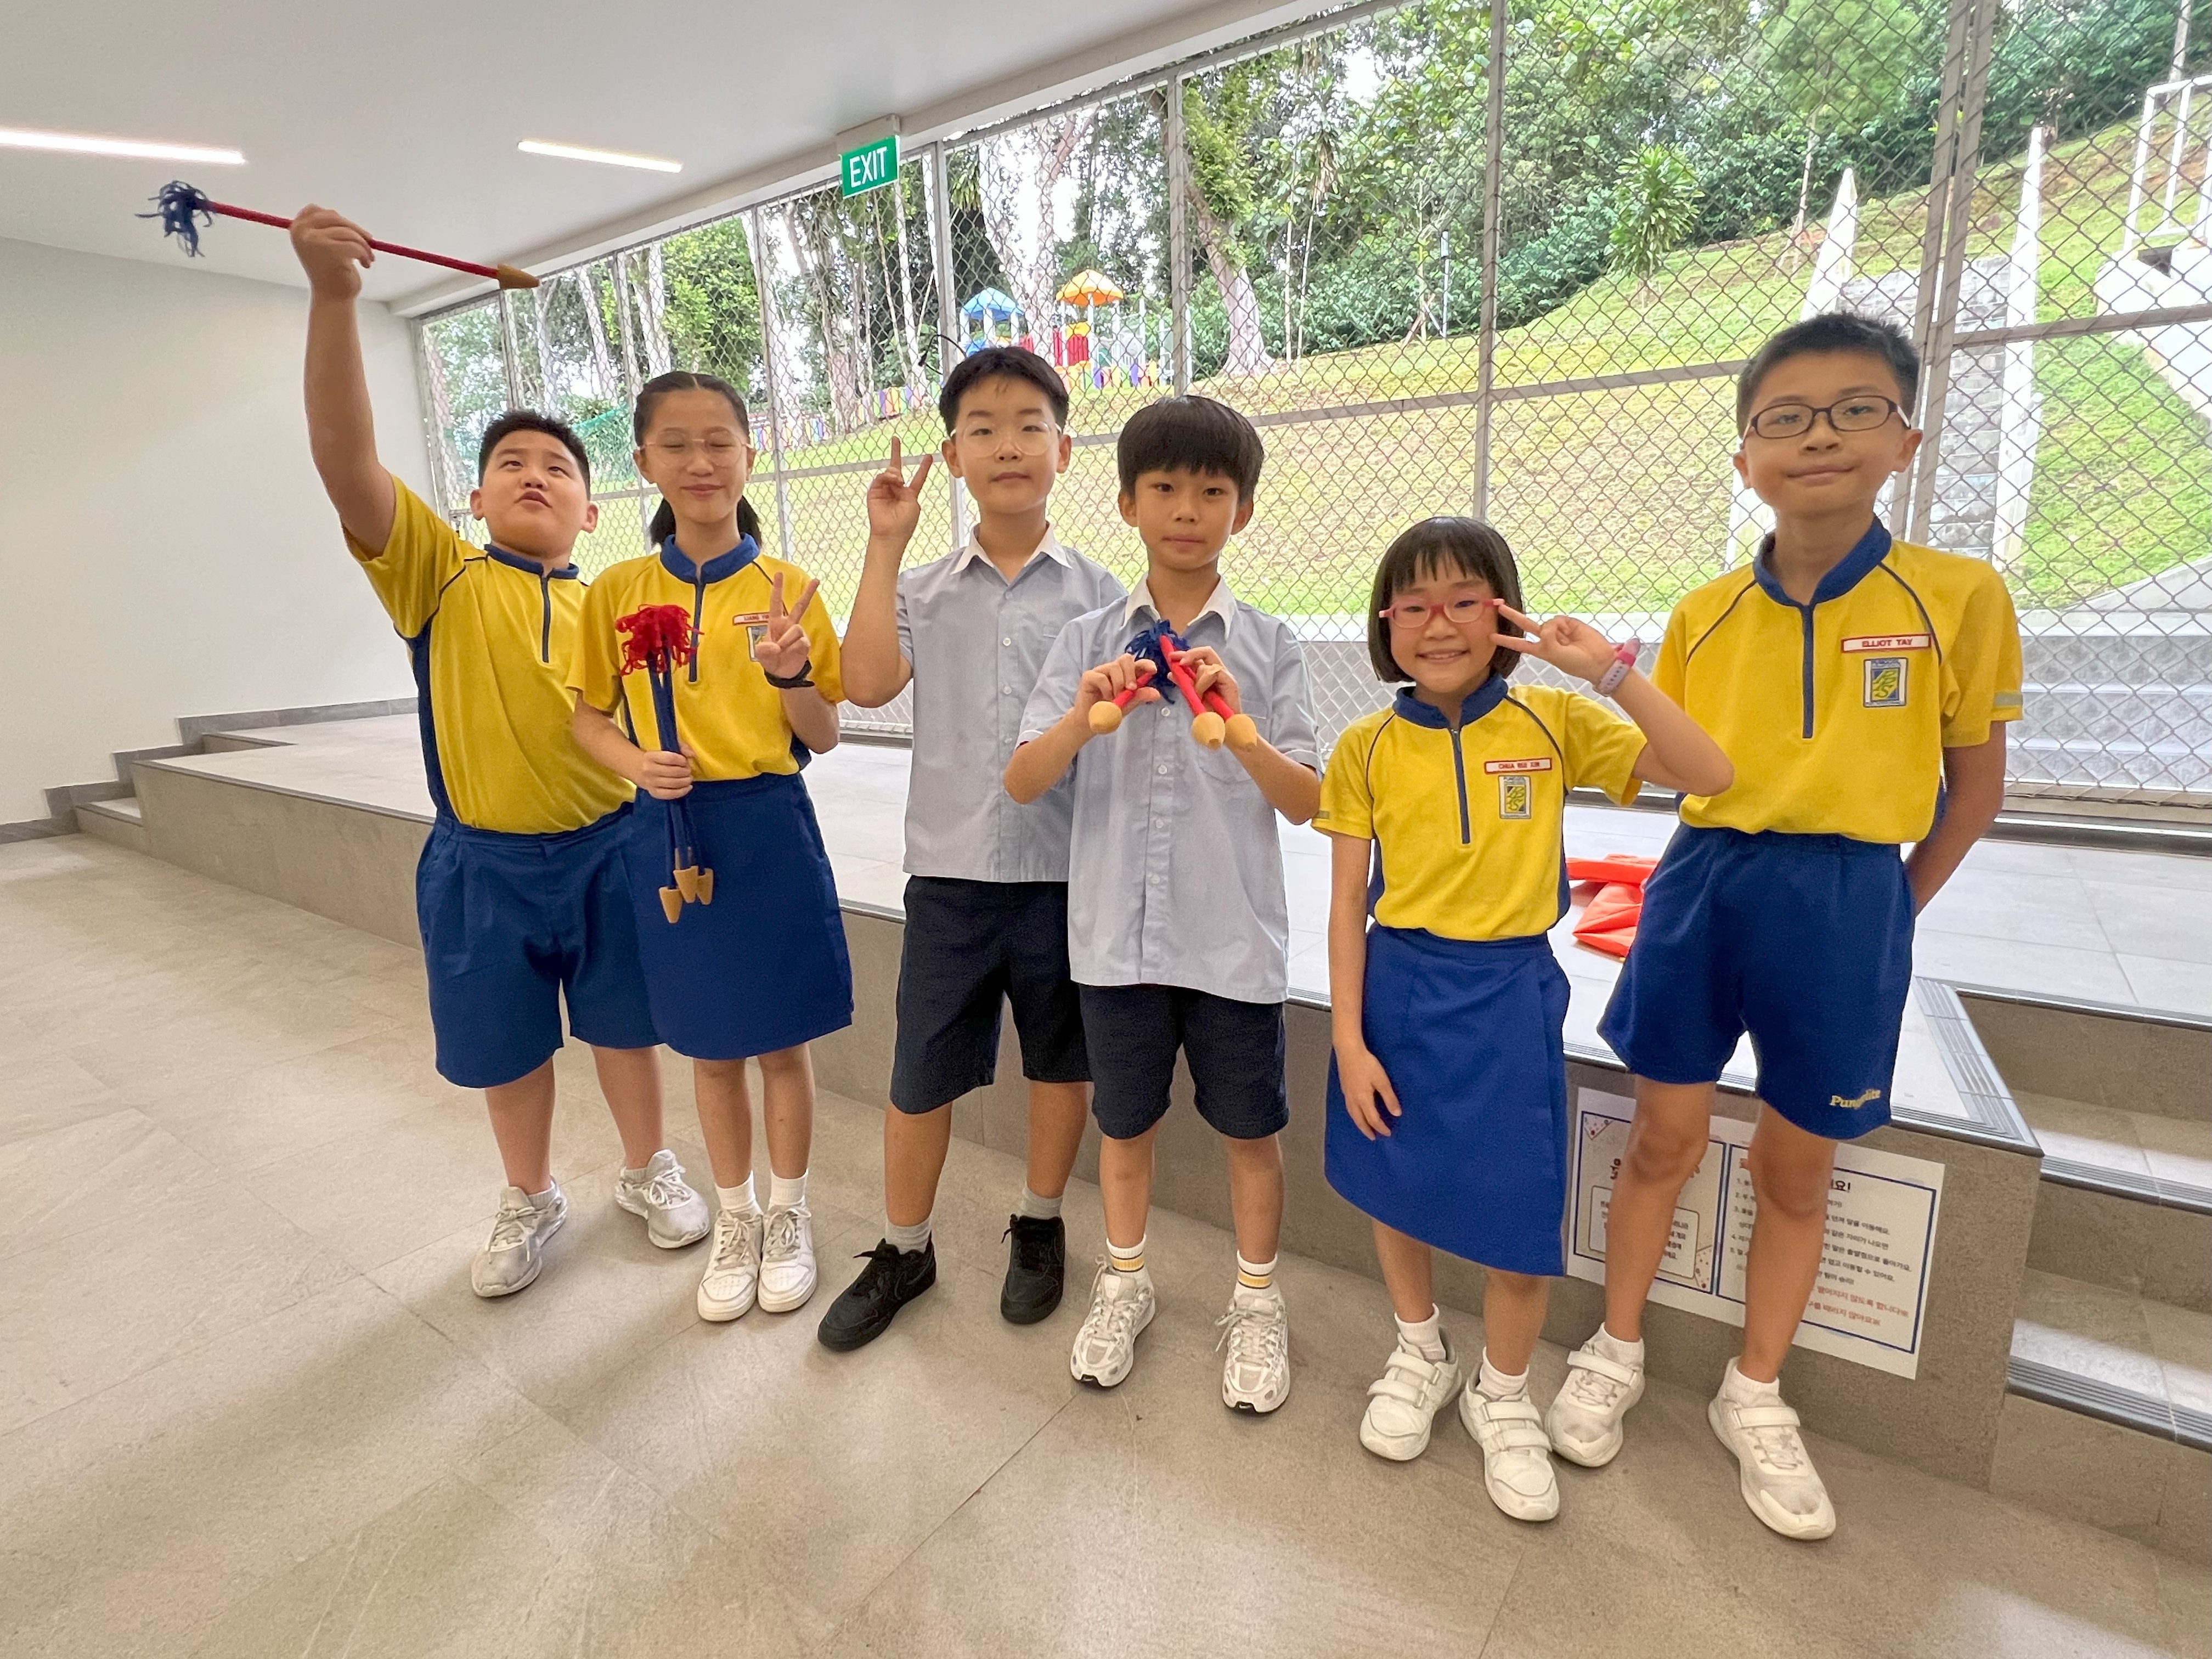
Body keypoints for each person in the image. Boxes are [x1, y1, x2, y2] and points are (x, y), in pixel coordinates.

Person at [1557, 312, 2024, 1539]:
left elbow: (1975, 791)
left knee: (1797, 1165)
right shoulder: (1704, 613)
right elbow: (1678, 760)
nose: (1820, 437)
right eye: (1786, 418)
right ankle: (1614, 1348)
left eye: (1855, 409)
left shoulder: (1959, 598)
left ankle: (1755, 1391)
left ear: (1905, 438)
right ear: (1746, 459)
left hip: (1852, 895)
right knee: (1660, 1137)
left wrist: (1888, 913)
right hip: (1706, 884)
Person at [290, 206, 706, 1299]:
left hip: (612, 852)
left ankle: (648, 1168)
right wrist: (334, 299)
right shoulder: (439, 575)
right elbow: (344, 457)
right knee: (506, 1048)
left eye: (558, 466)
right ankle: (531, 1195)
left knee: (626, 1031)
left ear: (592, 509)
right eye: (509, 462)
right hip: (483, 865)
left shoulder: (618, 601)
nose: (533, 474)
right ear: (473, 499)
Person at [1318, 517, 1730, 1520]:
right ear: (1385, 625)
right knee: (1394, 1182)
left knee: (1518, 1218)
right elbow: (1344, 905)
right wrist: (1348, 1039)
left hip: (1509, 994)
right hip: (1397, 987)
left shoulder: (1555, 722)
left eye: (1465, 601)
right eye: (1413, 606)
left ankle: (1501, 1394)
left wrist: (1611, 673)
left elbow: (1707, 772)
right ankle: (1420, 1350)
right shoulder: (1365, 745)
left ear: (1505, 614)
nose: (1439, 625)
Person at [1006, 396, 1320, 1414]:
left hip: (1231, 944)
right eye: (1166, 488)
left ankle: (1257, 1301)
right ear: (1128, 503)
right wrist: (1081, 718)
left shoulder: (1269, 646)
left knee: (1251, 1133)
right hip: (1117, 945)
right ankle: (1126, 1281)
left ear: (1245, 510)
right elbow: (1023, 781)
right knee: (1126, 1126)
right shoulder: (1087, 640)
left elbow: (1309, 802)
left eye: (1213, 491)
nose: (1188, 509)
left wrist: (1242, 725)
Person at [821, 348, 1125, 1350]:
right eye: (983, 429)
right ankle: (904, 1247)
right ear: (952, 456)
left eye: (1031, 425)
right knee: (921, 1071)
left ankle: (1040, 1223)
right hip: (949, 880)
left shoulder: (1103, 597)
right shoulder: (921, 587)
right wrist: (883, 545)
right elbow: (867, 683)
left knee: (1059, 1064)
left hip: (1064, 875)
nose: (1008, 445)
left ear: (1064, 450)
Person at [569, 371, 850, 1325]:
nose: (701, 462)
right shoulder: (617, 589)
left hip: (767, 824)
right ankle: (735, 1217)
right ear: (644, 462)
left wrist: (793, 672)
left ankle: (789, 1212)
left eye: (720, 441)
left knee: (781, 1039)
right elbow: (587, 718)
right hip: (667, 833)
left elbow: (824, 734)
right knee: (710, 1042)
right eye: (677, 445)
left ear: (750, 455)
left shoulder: (790, 590)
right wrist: (635, 764)